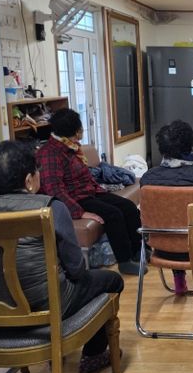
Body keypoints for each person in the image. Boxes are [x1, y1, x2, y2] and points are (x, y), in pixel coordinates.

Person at [0, 141, 125, 373]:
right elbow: (77, 269)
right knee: (111, 280)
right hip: (43, 308)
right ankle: (93, 355)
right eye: (37, 171)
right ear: (29, 180)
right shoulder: (49, 208)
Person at [36, 108, 143, 275]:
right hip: (76, 199)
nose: (81, 133)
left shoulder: (69, 146)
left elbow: (85, 175)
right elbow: (54, 190)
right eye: (79, 129)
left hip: (90, 192)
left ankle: (139, 251)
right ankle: (125, 261)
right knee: (113, 214)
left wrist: (101, 190)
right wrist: (79, 212)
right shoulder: (49, 153)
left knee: (128, 207)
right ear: (74, 131)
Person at [140, 119, 193, 294]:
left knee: (171, 220)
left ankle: (179, 280)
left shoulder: (147, 178)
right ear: (190, 146)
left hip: (162, 249)